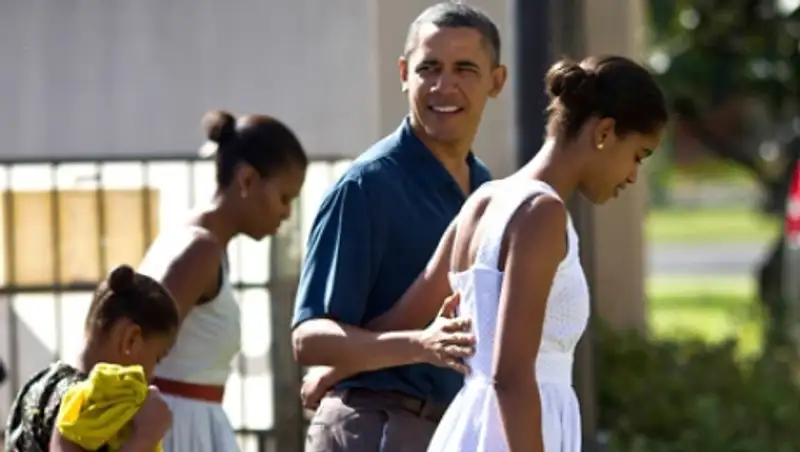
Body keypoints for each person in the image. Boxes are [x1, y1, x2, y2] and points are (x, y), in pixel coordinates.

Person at [368, 55, 668, 451]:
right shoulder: (542, 214)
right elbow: (510, 376)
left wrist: (336, 367)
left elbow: (394, 325)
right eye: (638, 156)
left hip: (470, 428)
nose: (632, 176)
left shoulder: (482, 202)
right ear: (604, 132)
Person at [291, 2, 507, 451]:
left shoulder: (484, 185)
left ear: (497, 81)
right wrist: (419, 345)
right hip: (375, 425)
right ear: (405, 73)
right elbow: (309, 340)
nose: (444, 85)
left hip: (452, 428)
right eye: (429, 68)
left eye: (465, 69)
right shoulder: (366, 186)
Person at [136, 110, 308, 452]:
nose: (287, 213)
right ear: (247, 179)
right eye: (284, 198)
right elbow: (137, 352)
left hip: (188, 424)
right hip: (175, 431)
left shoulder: (198, 243)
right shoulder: (198, 251)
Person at [4, 264, 179, 452]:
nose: (152, 375)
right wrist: (146, 435)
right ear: (131, 340)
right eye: (157, 358)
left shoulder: (39, 383)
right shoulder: (94, 406)